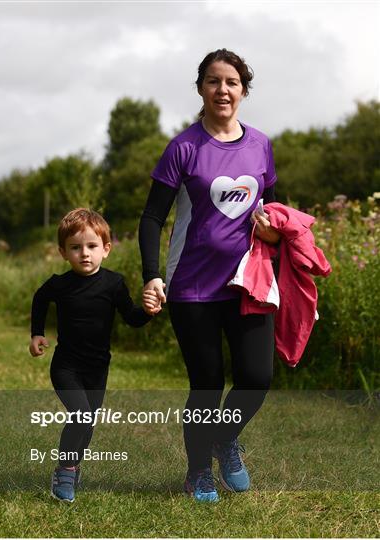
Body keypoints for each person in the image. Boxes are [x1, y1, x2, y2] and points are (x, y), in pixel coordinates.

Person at [139, 49, 280, 502]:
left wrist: (275, 234)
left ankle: (223, 439)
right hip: (193, 285)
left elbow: (273, 209)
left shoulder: (260, 144)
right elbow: (151, 218)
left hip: (249, 283)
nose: (223, 90)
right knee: (206, 383)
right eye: (214, 81)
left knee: (257, 377)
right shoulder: (183, 147)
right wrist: (152, 274)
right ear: (201, 88)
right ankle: (198, 471)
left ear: (244, 90)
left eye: (233, 82)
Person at [29, 208, 158, 502]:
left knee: (87, 425)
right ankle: (64, 471)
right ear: (63, 252)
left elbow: (132, 318)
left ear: (106, 249)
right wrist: (37, 333)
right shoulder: (59, 285)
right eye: (75, 248)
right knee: (82, 416)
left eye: (91, 246)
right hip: (66, 367)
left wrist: (148, 312)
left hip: (98, 369)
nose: (84, 254)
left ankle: (72, 467)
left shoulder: (113, 284)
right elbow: (40, 298)